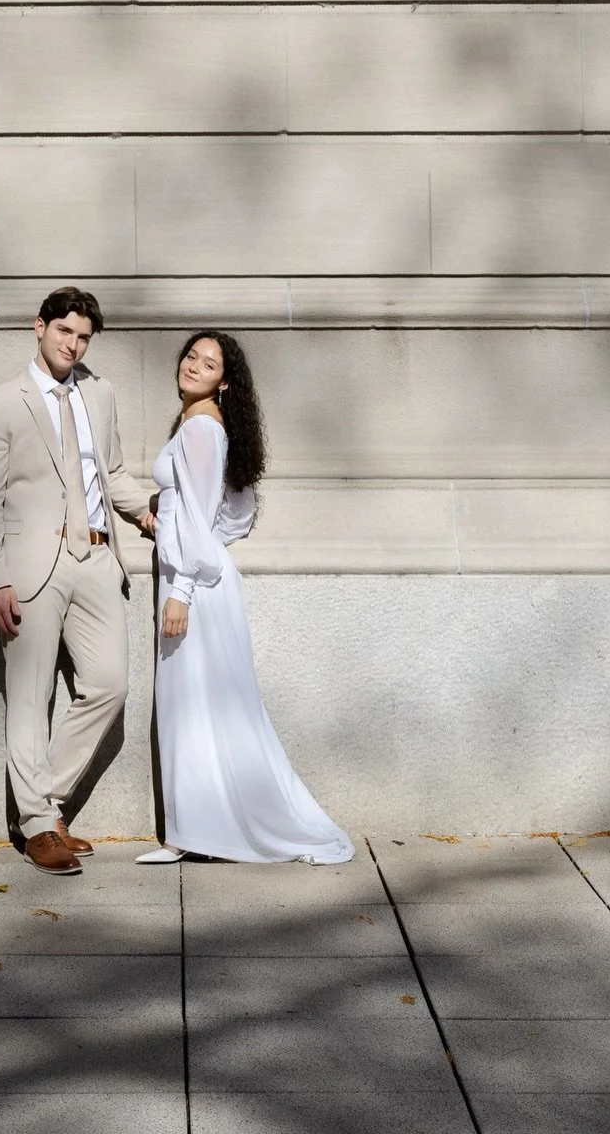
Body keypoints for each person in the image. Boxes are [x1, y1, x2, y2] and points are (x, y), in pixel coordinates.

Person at [136, 330, 354, 866]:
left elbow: (203, 513)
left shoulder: (202, 428)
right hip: (198, 578)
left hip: (194, 589)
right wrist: (161, 521)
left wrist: (182, 588)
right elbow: (225, 515)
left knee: (198, 706)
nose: (194, 365)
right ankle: (195, 832)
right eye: (191, 356)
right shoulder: (199, 424)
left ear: (224, 381)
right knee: (199, 706)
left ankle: (199, 834)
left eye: (208, 364)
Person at [0, 286, 156, 875]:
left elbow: (114, 471)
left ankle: (41, 809)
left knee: (109, 685)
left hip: (97, 559)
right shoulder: (1, 403)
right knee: (31, 697)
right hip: (31, 568)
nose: (73, 345)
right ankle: (37, 826)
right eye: (64, 332)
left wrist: (151, 512)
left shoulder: (100, 393)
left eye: (82, 337)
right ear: (40, 327)